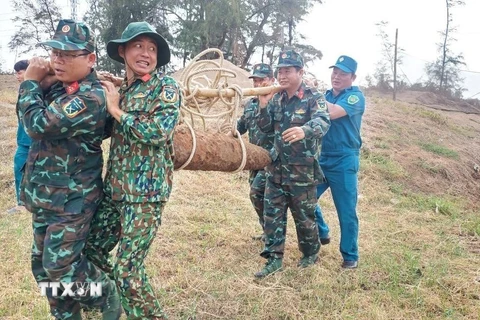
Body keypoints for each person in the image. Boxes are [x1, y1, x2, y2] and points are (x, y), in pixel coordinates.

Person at [16, 19, 121, 319]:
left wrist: (31, 82)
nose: (58, 59)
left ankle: (107, 297)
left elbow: (37, 125)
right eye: (54, 53)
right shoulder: (62, 88)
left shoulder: (90, 96)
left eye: (68, 54)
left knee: (61, 268)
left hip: (72, 200)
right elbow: (23, 113)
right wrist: (42, 84)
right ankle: (66, 314)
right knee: (42, 267)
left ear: (90, 59)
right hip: (45, 196)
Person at [84, 21, 181, 319]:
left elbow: (159, 132)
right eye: (138, 46)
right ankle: (110, 305)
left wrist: (116, 111)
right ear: (123, 50)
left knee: (127, 269)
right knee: (92, 250)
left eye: (151, 48)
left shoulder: (165, 87)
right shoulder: (122, 89)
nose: (146, 53)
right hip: (115, 190)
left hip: (145, 196)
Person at [254, 49, 330, 278]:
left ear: (300, 72)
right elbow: (266, 128)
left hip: (302, 172)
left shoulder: (313, 97)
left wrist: (304, 130)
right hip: (276, 170)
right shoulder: (276, 97)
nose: (283, 75)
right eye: (280, 71)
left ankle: (310, 254)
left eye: (288, 70)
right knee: (272, 216)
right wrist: (264, 106)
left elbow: (323, 122)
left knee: (304, 218)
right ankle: (274, 259)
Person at [313, 55, 365, 269]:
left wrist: (312, 94)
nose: (337, 76)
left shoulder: (355, 98)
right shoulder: (325, 95)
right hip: (323, 156)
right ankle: (323, 231)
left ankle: (350, 256)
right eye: (335, 72)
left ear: (352, 77)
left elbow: (332, 112)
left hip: (345, 159)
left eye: (343, 73)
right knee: (304, 197)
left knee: (346, 210)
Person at [236, 63, 275, 240]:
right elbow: (241, 127)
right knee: (256, 195)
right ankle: (268, 232)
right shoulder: (251, 104)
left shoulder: (278, 103)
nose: (258, 84)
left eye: (262, 80)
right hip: (254, 159)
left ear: (272, 80)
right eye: (256, 81)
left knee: (258, 193)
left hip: (272, 159)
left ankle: (274, 235)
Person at [7, 59, 32, 214]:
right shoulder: (23, 91)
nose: (17, 76)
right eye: (16, 72)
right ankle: (22, 203)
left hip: (34, 141)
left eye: (19, 72)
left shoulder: (39, 89)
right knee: (19, 169)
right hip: (24, 141)